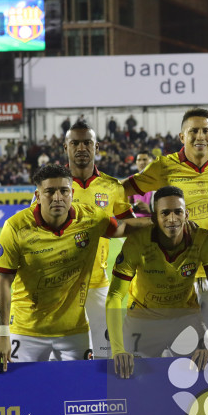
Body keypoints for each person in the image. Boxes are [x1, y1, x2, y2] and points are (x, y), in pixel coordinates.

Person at [0, 164, 150, 372]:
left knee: (78, 396)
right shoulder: (16, 227)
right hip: (26, 331)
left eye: (64, 191)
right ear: (37, 195)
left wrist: (163, 222)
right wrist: (2, 333)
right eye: (50, 191)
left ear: (71, 193)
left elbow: (123, 227)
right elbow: (2, 282)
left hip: (75, 332)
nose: (57, 197)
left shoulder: (91, 218)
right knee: (23, 395)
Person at [122, 108, 208, 328]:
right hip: (176, 272)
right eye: (194, 131)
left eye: (206, 131)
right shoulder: (163, 167)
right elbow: (119, 191)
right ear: (182, 136)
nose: (200, 136)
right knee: (176, 343)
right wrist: (132, 220)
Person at [106, 186, 208, 378]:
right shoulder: (137, 242)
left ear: (186, 214)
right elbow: (115, 295)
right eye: (165, 213)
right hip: (142, 319)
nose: (172, 219)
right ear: (155, 218)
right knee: (128, 379)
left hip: (185, 318)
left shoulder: (202, 239)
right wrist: (117, 350)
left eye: (178, 212)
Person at [65, 119, 134, 359]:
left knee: (107, 354)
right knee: (68, 357)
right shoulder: (52, 186)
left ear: (96, 147)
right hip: (62, 286)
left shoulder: (112, 186)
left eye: (87, 143)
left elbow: (129, 227)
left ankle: (107, 398)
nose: (81, 148)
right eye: (75, 143)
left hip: (99, 283)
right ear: (66, 147)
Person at [129, 150, 153, 217]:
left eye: (145, 160)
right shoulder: (131, 181)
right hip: (135, 219)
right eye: (139, 160)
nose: (141, 162)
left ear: (152, 161)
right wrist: (134, 206)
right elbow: (126, 205)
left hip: (153, 219)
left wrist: (150, 209)